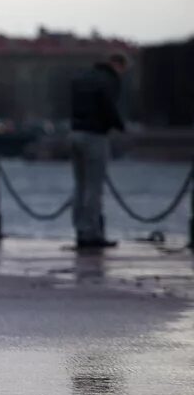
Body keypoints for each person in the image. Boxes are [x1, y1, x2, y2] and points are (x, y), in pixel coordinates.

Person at [69, 52, 129, 249]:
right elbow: (108, 106)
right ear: (118, 65)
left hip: (75, 133)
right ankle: (92, 234)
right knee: (94, 187)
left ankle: (79, 230)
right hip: (95, 135)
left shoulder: (83, 77)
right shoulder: (109, 80)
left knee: (80, 186)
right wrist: (119, 125)